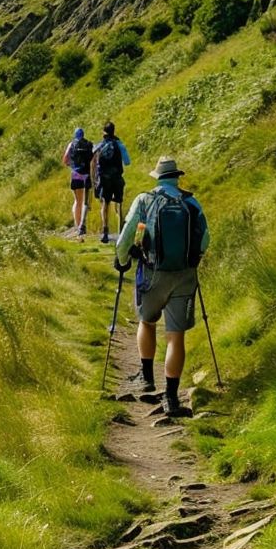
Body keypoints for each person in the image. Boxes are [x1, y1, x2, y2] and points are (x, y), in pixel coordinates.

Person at [114, 156, 210, 418]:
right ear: (177, 177)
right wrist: (192, 260)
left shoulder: (145, 200)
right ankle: (171, 396)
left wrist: (122, 261)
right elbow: (205, 240)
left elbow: (125, 239)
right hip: (185, 275)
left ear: (157, 176)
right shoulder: (191, 202)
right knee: (175, 336)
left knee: (146, 322)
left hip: (152, 273)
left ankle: (146, 378)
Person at [92, 121, 131, 245]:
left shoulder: (100, 145)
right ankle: (121, 232)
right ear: (114, 131)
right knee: (118, 203)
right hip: (116, 177)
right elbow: (127, 162)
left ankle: (105, 232)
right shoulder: (119, 144)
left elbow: (93, 158)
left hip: (104, 179)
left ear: (104, 132)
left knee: (105, 204)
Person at [62, 128, 93, 237]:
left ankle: (77, 225)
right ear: (83, 135)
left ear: (75, 135)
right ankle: (83, 226)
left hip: (76, 174)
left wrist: (72, 165)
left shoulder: (72, 144)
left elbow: (65, 159)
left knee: (77, 201)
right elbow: (93, 159)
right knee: (85, 201)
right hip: (87, 175)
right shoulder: (89, 144)